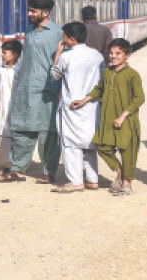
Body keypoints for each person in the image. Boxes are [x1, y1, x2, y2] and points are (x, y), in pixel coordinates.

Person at [0, 0, 62, 184]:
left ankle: (48, 171)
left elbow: (60, 62)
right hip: (25, 87)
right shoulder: (30, 31)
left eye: (33, 11)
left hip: (46, 89)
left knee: (46, 133)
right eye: (29, 10)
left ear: (45, 12)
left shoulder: (57, 33)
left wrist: (58, 88)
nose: (29, 14)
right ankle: (18, 169)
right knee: (21, 129)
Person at [71, 38, 145, 196]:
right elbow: (99, 89)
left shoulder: (132, 75)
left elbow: (139, 98)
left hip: (126, 120)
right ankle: (120, 172)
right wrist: (84, 100)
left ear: (127, 55)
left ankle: (127, 184)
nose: (113, 56)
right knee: (101, 145)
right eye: (111, 53)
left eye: (118, 53)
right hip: (108, 118)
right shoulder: (107, 72)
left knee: (128, 151)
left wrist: (123, 116)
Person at [48, 22, 104, 193]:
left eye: (64, 37)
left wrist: (57, 55)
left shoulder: (66, 57)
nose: (63, 40)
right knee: (89, 143)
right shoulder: (97, 55)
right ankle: (93, 179)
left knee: (71, 145)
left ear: (71, 39)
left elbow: (54, 76)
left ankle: (76, 181)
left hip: (72, 106)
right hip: (91, 105)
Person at [0, 39, 23, 174]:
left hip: (15, 108)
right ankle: (9, 163)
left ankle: (12, 166)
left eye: (5, 53)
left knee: (11, 137)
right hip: (1, 108)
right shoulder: (0, 70)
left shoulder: (20, 70)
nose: (2, 56)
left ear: (14, 55)